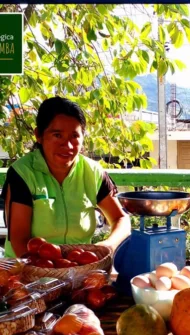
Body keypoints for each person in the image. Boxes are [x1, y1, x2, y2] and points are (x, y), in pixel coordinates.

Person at [1, 96, 131, 258]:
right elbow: (19, 239)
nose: (67, 145)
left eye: (74, 136)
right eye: (57, 135)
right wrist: (48, 270)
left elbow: (120, 218)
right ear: (38, 135)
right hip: (26, 271)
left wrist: (107, 246)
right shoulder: (22, 173)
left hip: (78, 270)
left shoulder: (93, 172)